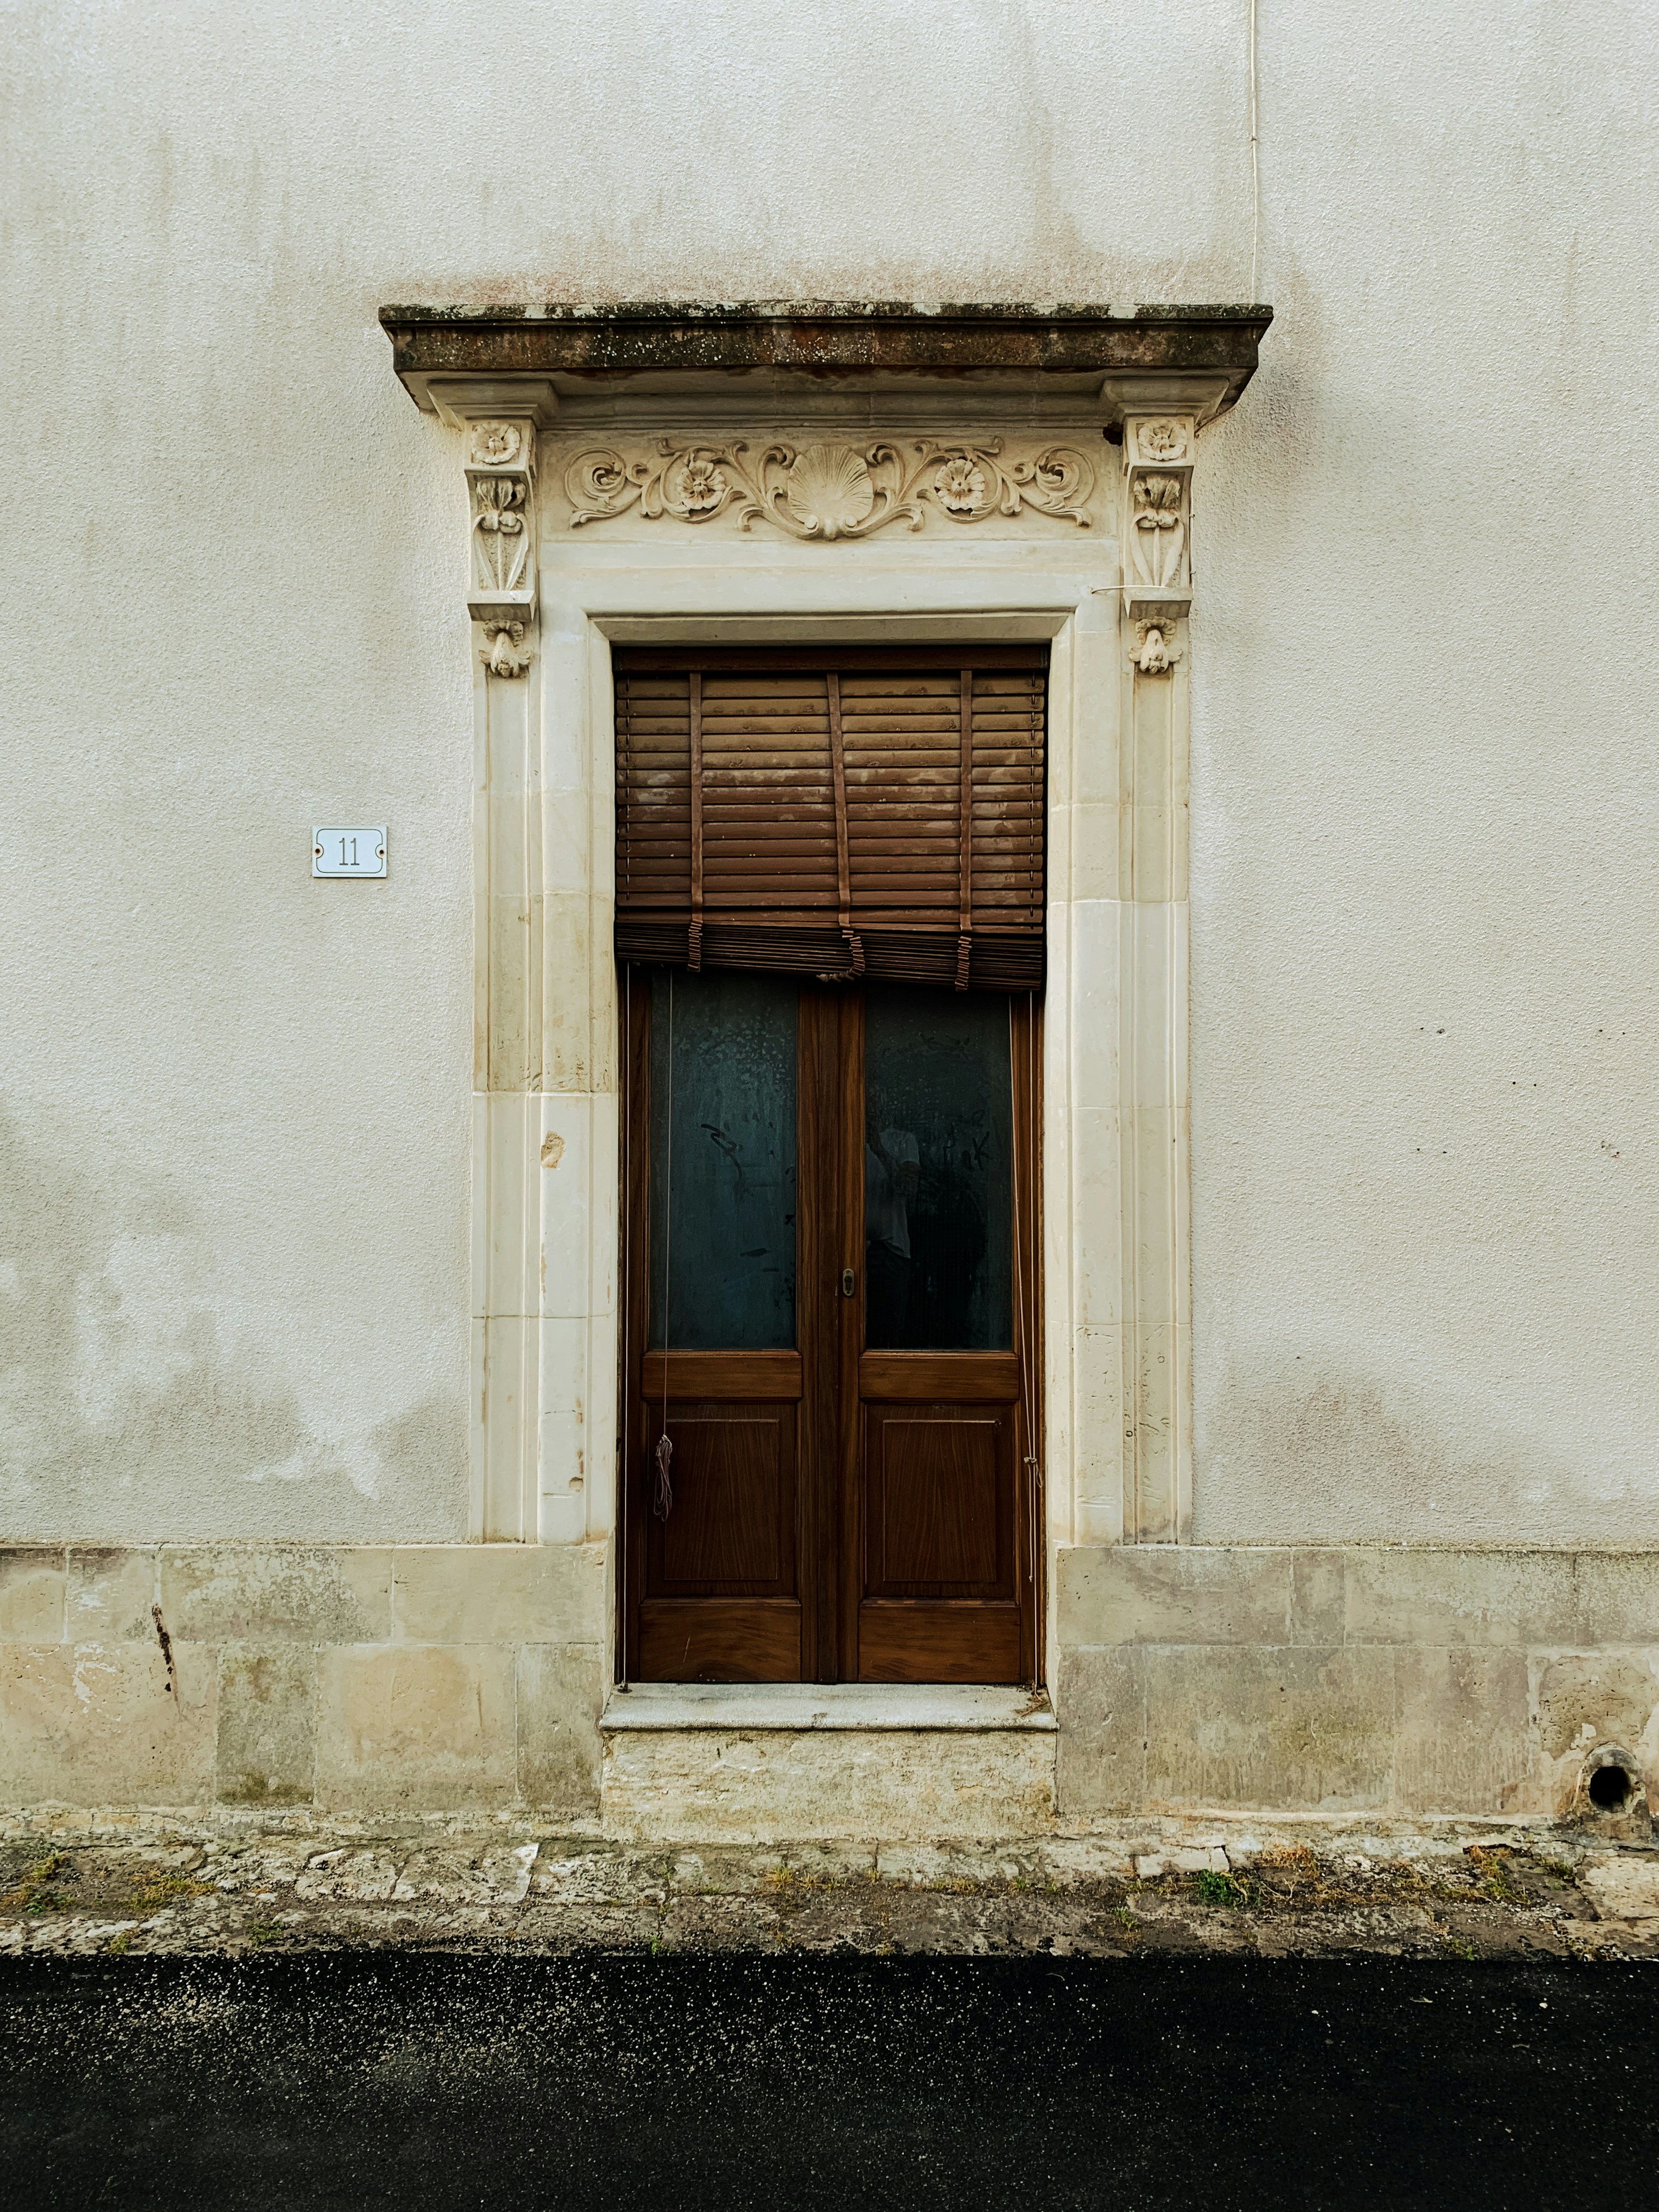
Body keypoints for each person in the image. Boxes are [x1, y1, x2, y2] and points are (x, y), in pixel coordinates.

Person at [864, 1083, 919, 1347]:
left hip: (891, 1251)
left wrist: (879, 1149)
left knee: (889, 1338)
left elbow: (909, 1189)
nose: (872, 1107)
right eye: (868, 1101)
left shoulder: (903, 1140)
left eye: (877, 1101)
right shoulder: (847, 1140)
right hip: (854, 1253)